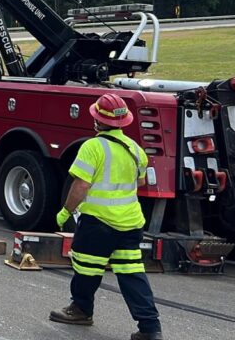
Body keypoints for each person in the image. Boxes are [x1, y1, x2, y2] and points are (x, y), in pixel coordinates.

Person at [50, 93, 162, 340]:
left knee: (86, 268)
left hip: (98, 223)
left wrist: (66, 211)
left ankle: (80, 310)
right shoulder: (135, 149)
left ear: (97, 121)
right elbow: (140, 180)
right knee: (132, 273)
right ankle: (150, 328)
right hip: (131, 224)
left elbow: (80, 185)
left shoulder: (92, 147)